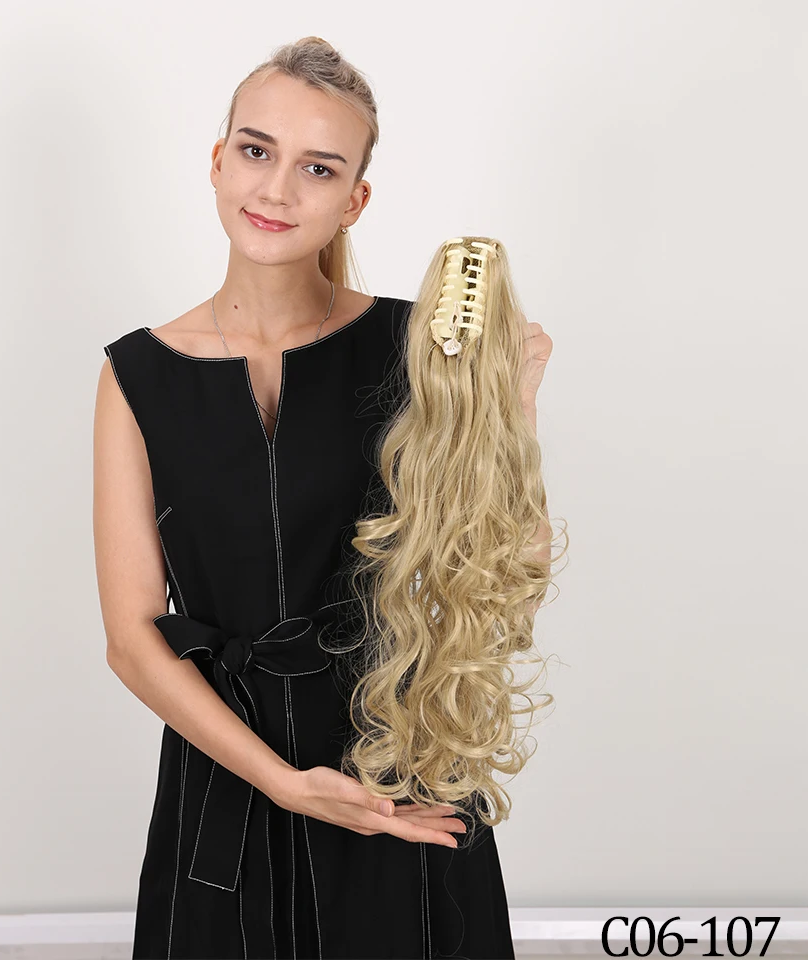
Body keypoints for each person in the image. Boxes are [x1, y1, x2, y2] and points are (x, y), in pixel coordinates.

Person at [94, 37, 520, 960]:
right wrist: (283, 783)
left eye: (318, 168)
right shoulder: (135, 375)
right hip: (225, 774)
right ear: (218, 161)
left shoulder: (418, 348)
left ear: (353, 199)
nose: (278, 189)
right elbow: (132, 637)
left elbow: (494, 571)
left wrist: (512, 405)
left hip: (396, 759)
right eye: (257, 151)